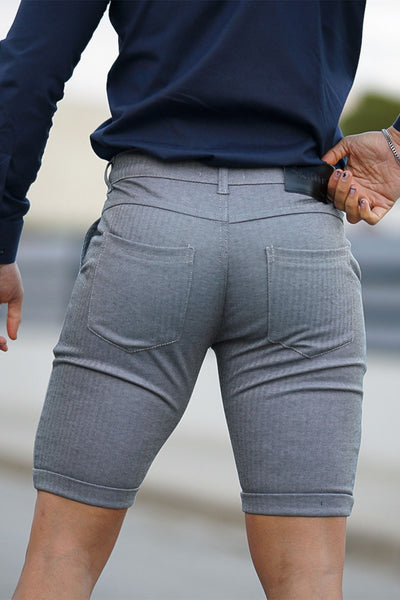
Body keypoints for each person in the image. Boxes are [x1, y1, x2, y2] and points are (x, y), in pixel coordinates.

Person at [1, 1, 400, 599]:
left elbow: (29, 67)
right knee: (310, 575)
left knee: (62, 556)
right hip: (298, 234)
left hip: (150, 229)